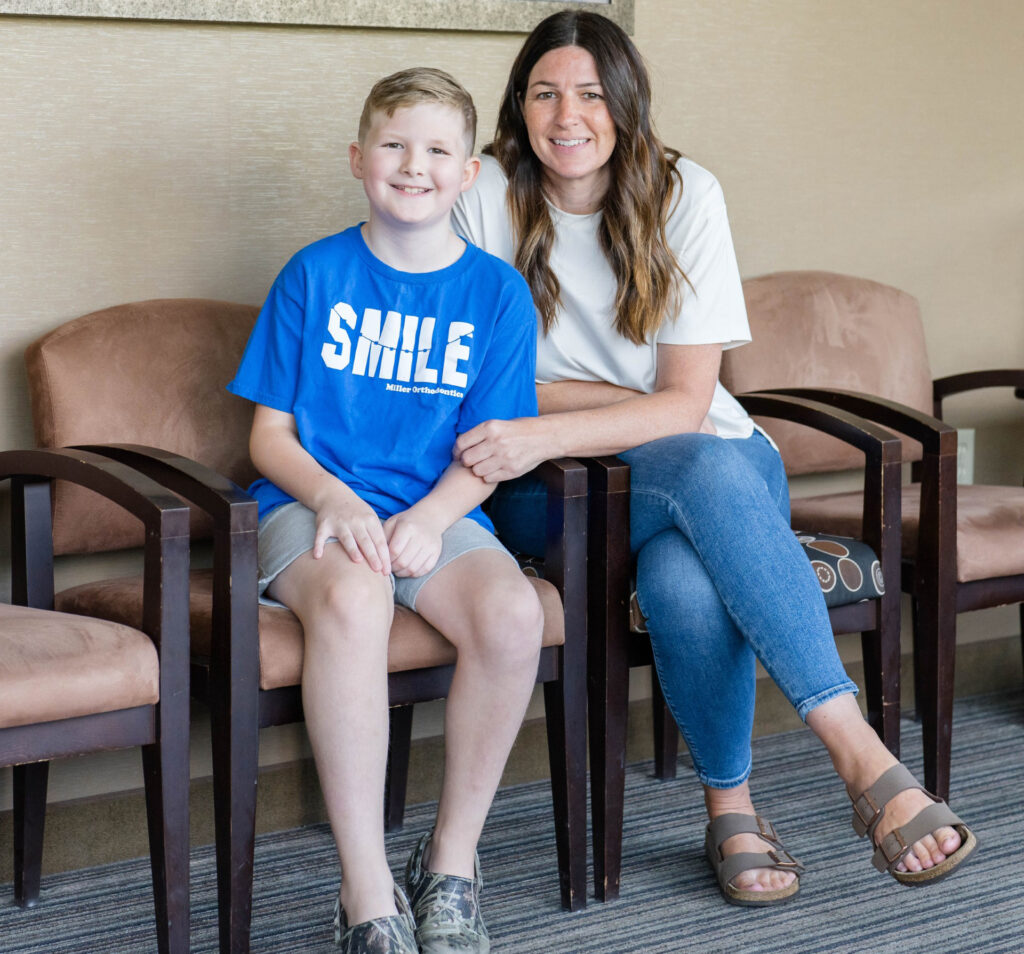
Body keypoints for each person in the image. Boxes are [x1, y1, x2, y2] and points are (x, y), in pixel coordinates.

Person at [452, 10, 976, 907]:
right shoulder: (483, 193)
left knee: (685, 559)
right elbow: (473, 389)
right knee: (698, 468)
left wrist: (550, 409)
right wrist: (598, 416)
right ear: (520, 105)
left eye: (588, 93)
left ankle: (732, 807)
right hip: (550, 488)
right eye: (544, 92)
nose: (566, 115)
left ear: (625, 104)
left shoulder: (683, 192)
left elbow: (688, 407)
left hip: (716, 465)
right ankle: (862, 761)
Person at [229, 68, 542, 954]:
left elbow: (489, 453)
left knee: (515, 614)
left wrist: (434, 517)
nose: (415, 166)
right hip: (309, 505)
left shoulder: (496, 295)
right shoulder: (313, 274)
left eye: (439, 149)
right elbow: (269, 437)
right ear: (359, 158)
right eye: (396, 146)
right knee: (359, 596)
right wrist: (334, 497)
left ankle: (449, 869)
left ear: (469, 172)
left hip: (435, 512)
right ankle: (365, 891)